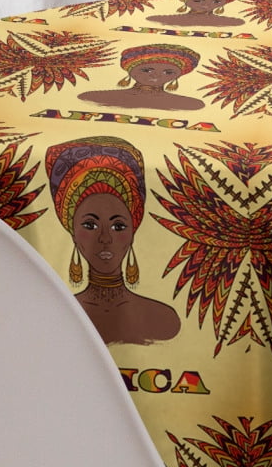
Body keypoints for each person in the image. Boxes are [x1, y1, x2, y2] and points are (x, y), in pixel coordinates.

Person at [46, 136, 180, 345]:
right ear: (71, 231)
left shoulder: (165, 320)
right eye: (90, 225)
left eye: (118, 226)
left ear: (133, 231)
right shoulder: (52, 318)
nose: (105, 238)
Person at [78, 43, 204, 111]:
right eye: (146, 70)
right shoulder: (93, 97)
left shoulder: (191, 104)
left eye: (168, 72)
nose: (156, 75)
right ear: (130, 70)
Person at [146, 0, 244, 27]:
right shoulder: (163, 20)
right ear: (185, 0)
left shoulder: (232, 22)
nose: (206, 5)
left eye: (216, 1)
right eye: (198, 0)